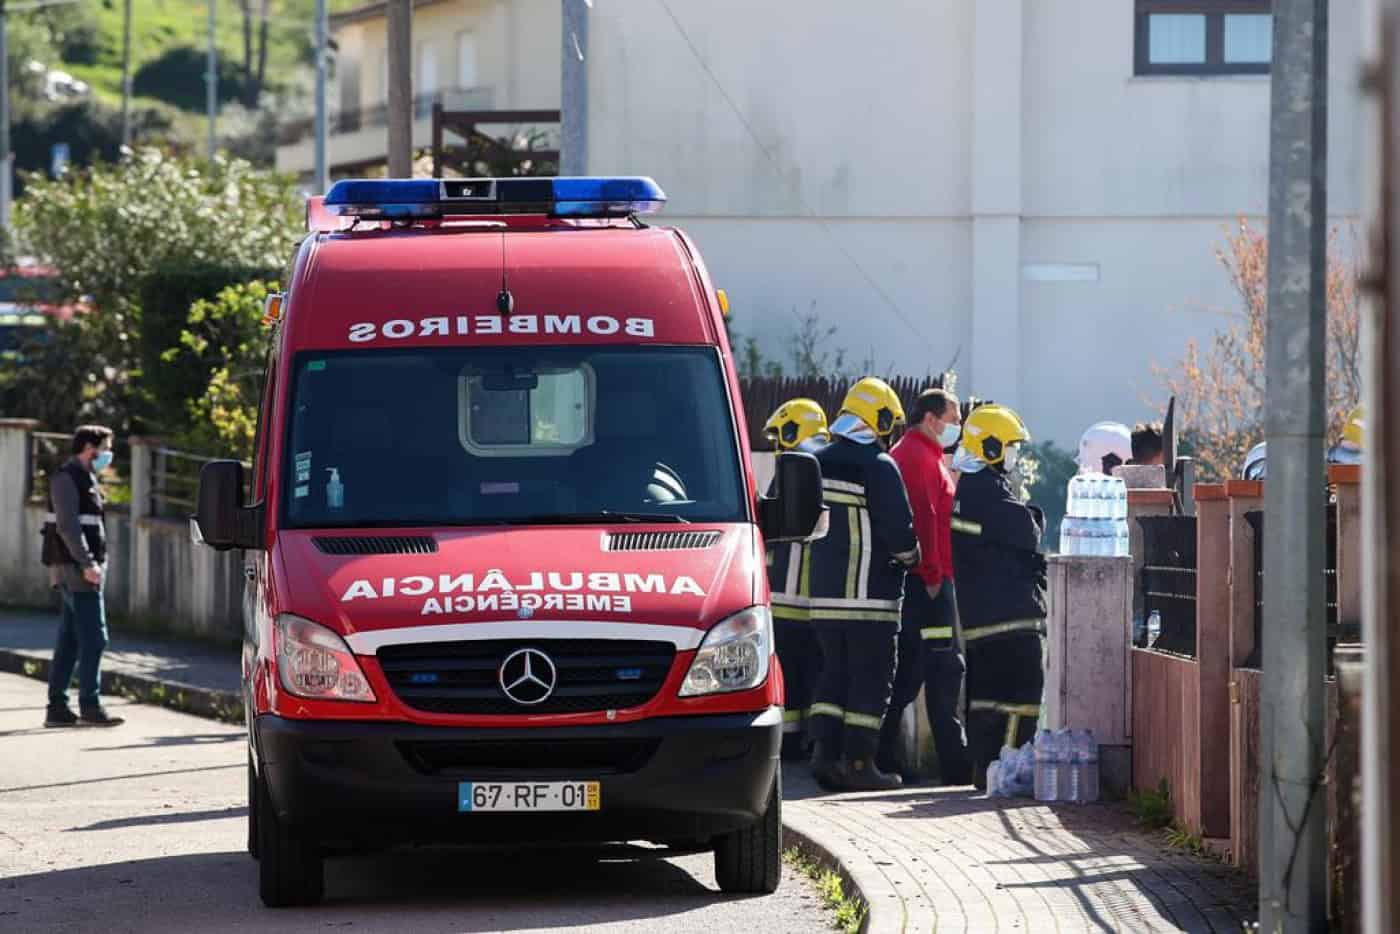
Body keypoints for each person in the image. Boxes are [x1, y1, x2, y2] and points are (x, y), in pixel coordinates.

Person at [806, 377, 920, 791]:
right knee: (871, 680)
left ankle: (824, 757)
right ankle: (859, 765)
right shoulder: (879, 465)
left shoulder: (817, 461)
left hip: (822, 600)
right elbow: (899, 531)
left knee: (833, 675)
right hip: (871, 599)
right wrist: (912, 559)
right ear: (879, 420)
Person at [878, 388, 972, 785]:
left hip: (927, 583)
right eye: (953, 420)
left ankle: (888, 754)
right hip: (929, 587)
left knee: (915, 672)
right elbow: (925, 521)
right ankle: (952, 764)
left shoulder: (922, 454)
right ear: (932, 419)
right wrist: (933, 578)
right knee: (943, 669)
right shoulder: (917, 457)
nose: (956, 429)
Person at [949, 404, 1046, 786]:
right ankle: (1007, 771)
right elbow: (1029, 532)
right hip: (1012, 619)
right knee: (1022, 698)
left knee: (985, 700)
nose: (1014, 456)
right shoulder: (987, 491)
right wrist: (1033, 513)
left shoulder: (967, 490)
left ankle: (983, 766)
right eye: (1009, 447)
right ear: (990, 447)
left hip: (980, 621)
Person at [40, 425, 123, 728]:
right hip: (74, 569)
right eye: (106, 448)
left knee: (70, 640)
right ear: (90, 447)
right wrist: (88, 564)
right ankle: (89, 704)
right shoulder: (66, 478)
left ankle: (57, 707)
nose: (108, 455)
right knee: (95, 637)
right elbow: (68, 526)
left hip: (78, 568)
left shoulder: (85, 478)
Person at [762, 398, 831, 760]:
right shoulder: (820, 464)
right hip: (815, 600)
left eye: (781, 434)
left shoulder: (793, 468)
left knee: (792, 674)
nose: (778, 443)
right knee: (812, 675)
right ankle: (803, 742)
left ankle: (789, 745)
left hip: (789, 600)